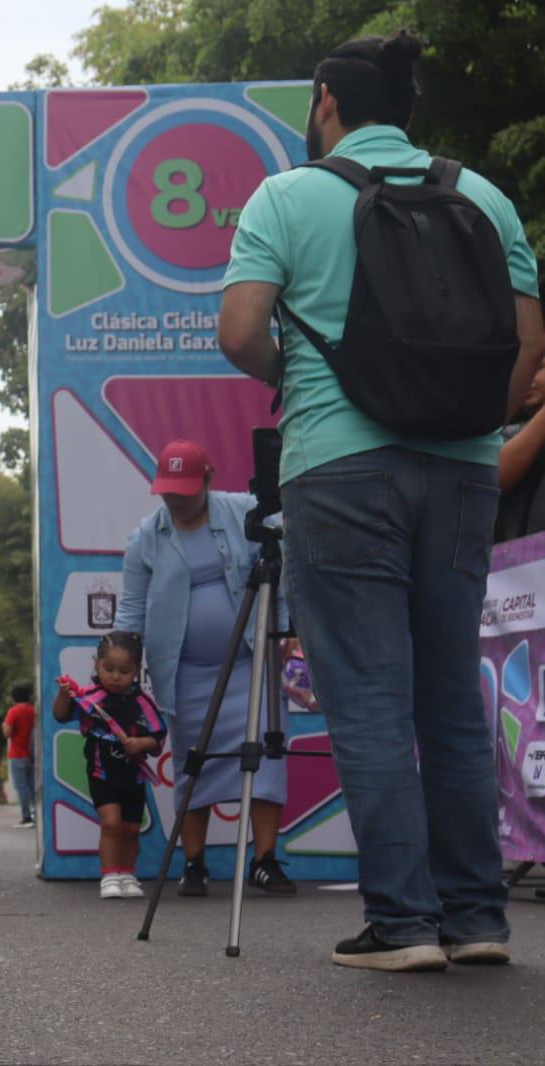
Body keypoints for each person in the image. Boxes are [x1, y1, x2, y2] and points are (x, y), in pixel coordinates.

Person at [219, 30, 544, 970]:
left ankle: (401, 924)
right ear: (406, 106)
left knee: (365, 699)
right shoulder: (481, 196)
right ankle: (476, 918)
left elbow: (239, 331)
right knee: (448, 698)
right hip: (461, 470)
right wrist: (463, 419)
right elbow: (526, 348)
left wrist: (307, 376)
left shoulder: (287, 196)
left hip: (339, 466)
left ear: (325, 99)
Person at [117, 440, 294, 897]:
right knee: (193, 764)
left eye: (185, 490)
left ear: (209, 479)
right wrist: (120, 661)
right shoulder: (146, 538)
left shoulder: (247, 513)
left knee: (266, 759)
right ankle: (193, 864)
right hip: (185, 674)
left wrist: (290, 627)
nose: (176, 499)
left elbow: (287, 569)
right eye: (168, 491)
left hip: (250, 663)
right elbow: (132, 607)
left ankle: (264, 860)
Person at [53, 632, 166, 900]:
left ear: (137, 670)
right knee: (111, 823)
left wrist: (141, 744)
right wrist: (64, 694)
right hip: (101, 772)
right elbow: (60, 714)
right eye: (109, 669)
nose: (116, 676)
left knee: (130, 828)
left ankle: (127, 873)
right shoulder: (89, 697)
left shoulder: (143, 702)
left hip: (134, 778)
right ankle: (109, 875)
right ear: (97, 665)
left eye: (125, 671)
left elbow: (158, 736)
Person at [496, 359, 545, 541]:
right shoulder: (503, 433)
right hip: (522, 564)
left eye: (538, 368)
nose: (528, 379)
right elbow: (494, 479)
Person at [2, 684, 37, 827]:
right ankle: (37, 813)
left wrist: (4, 725)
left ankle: (26, 816)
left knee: (21, 787)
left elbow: (7, 733)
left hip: (17, 753)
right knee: (32, 786)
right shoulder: (33, 711)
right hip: (32, 754)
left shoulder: (14, 711)